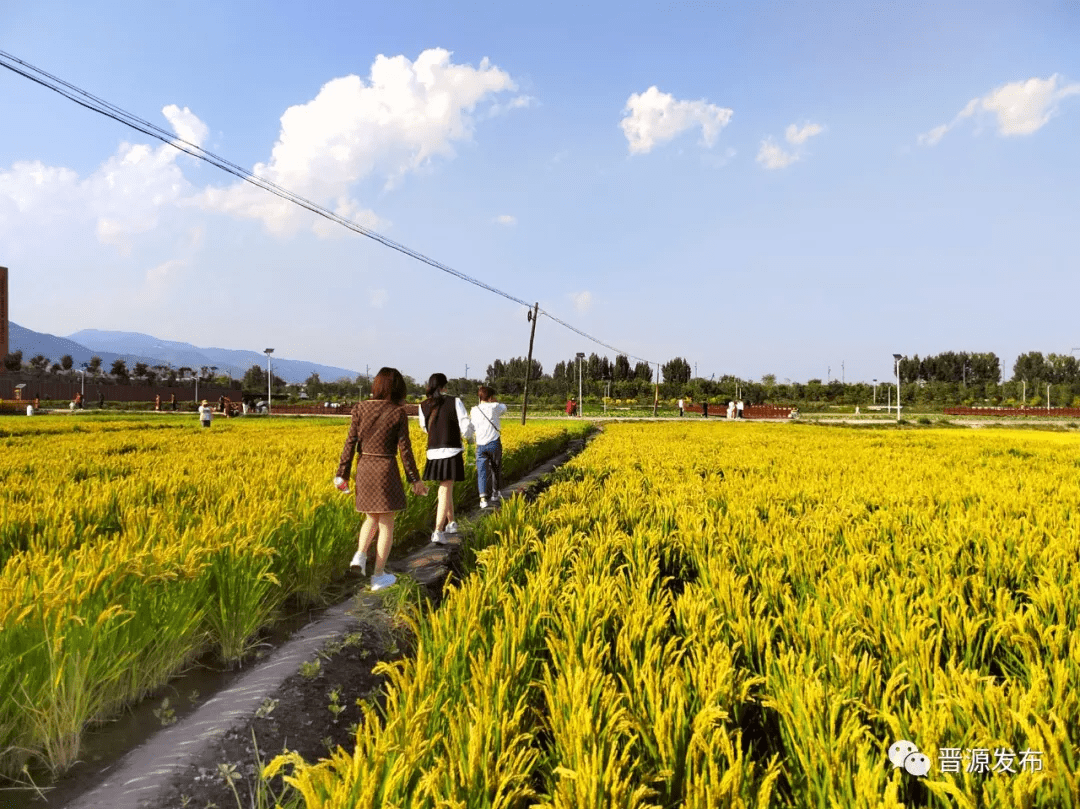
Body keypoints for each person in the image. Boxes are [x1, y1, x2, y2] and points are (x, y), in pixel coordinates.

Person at [335, 367, 427, 592]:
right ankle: (378, 576)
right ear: (398, 388)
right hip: (386, 468)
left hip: (365, 466)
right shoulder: (398, 412)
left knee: (370, 517)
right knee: (386, 522)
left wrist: (342, 474)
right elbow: (405, 450)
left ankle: (360, 555)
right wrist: (415, 479)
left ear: (376, 385)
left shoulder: (360, 408)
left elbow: (350, 443)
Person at [419, 373, 474, 544]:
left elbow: (424, 427)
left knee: (445, 486)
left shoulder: (422, 405)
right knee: (445, 489)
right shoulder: (454, 401)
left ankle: (451, 523)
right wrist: (469, 438)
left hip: (433, 452)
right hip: (451, 450)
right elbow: (465, 425)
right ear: (444, 386)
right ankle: (438, 531)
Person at [470, 386, 507, 509]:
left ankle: (483, 499)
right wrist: (495, 401)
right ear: (491, 397)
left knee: (482, 472)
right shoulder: (495, 406)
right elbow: (504, 408)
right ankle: (495, 494)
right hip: (494, 443)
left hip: (480, 445)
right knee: (496, 468)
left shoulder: (474, 410)